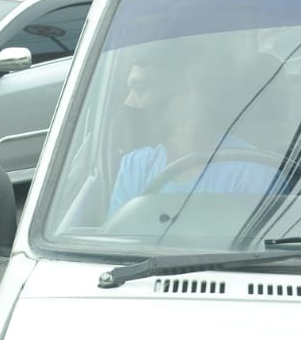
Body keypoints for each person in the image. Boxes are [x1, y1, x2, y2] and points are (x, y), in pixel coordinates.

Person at [106, 55, 278, 218]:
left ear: (188, 94)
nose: (128, 102)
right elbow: (114, 242)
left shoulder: (253, 174)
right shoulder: (134, 166)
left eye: (140, 89)